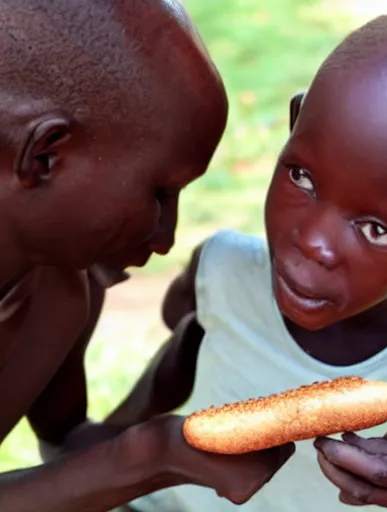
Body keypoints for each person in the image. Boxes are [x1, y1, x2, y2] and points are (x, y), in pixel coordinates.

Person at [119, 8, 387, 512]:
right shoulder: (222, 269)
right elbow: (184, 342)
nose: (312, 243)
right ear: (293, 125)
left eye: (376, 229)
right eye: (302, 177)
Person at [0, 1, 296, 511]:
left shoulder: (66, 287)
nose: (167, 237)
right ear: (45, 157)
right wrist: (146, 458)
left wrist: (168, 381)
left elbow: (65, 448)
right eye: (160, 193)